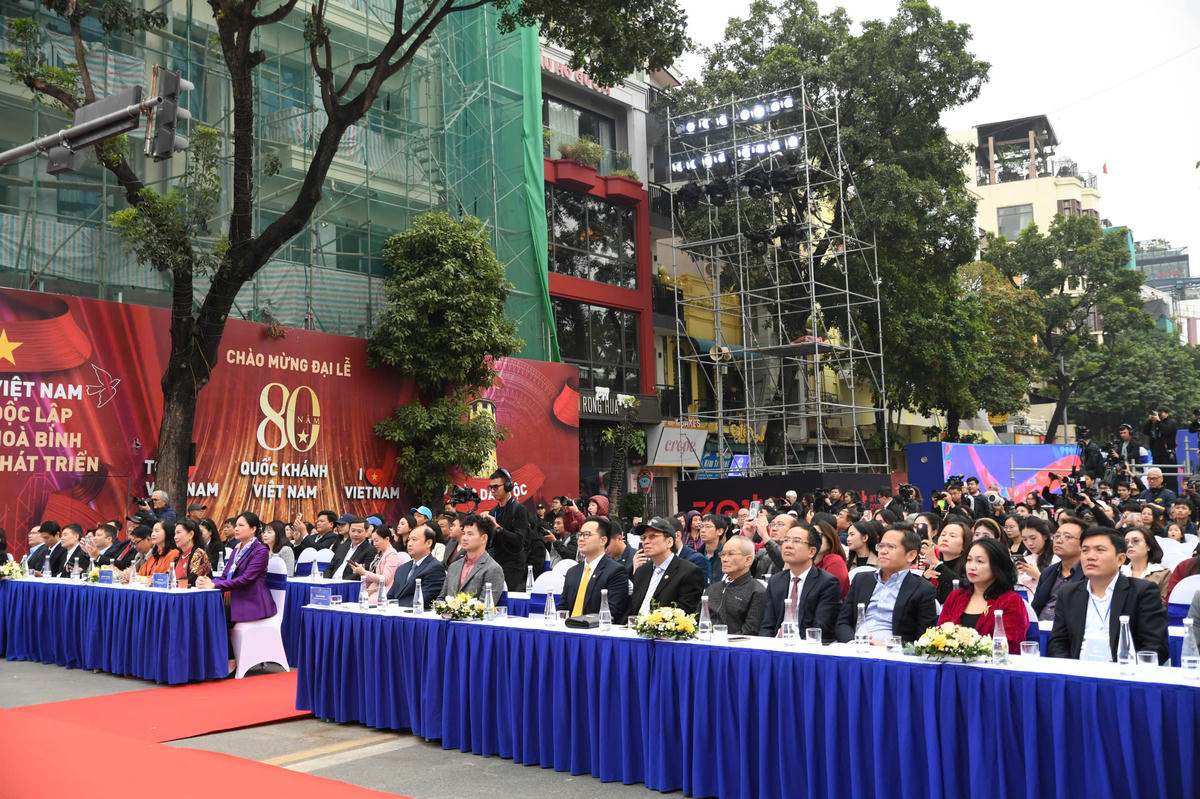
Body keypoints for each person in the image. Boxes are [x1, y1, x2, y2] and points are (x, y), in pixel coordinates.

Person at [1046, 526, 1169, 663]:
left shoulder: (1142, 592)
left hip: (1123, 672)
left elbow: (1155, 647)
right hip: (1078, 671)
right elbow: (1058, 643)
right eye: (1085, 550)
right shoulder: (1068, 593)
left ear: (1120, 559)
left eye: (1100, 550)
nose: (1090, 556)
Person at [197, 512, 278, 674]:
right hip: (236, 597)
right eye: (236, 525)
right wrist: (208, 582)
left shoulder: (260, 551)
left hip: (253, 601)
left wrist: (214, 585)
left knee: (217, 614)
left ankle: (231, 659)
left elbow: (246, 579)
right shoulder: (237, 549)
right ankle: (213, 659)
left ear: (253, 529)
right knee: (207, 610)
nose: (236, 529)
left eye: (241, 525)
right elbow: (225, 576)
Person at [835, 525, 938, 645]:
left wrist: (887, 646)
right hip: (854, 648)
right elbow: (843, 622)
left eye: (891, 547)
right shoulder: (861, 580)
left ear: (911, 555)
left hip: (892, 652)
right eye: (881, 546)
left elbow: (923, 639)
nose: (883, 551)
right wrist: (853, 642)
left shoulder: (923, 589)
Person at [936, 537, 1029, 646]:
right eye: (969, 560)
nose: (972, 567)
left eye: (980, 561)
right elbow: (939, 635)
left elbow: (1010, 645)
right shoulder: (956, 596)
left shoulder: (1011, 601)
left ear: (997, 566)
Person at [759, 522, 841, 640]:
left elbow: (822, 628)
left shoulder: (827, 583)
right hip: (776, 644)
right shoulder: (775, 581)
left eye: (796, 541)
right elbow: (767, 626)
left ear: (811, 552)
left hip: (807, 645)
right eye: (786, 540)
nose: (788, 545)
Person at [557, 515, 630, 623]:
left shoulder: (616, 571)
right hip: (569, 629)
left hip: (595, 630)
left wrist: (581, 625)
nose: (581, 539)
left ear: (603, 540)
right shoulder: (572, 572)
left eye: (587, 535)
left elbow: (612, 612)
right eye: (580, 534)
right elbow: (563, 608)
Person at [628, 517, 706, 617]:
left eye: (652, 536)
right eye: (643, 538)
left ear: (669, 542)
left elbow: (684, 615)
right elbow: (632, 609)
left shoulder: (689, 572)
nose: (646, 542)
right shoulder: (642, 571)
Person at [701, 536, 766, 635]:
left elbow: (750, 631)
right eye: (723, 554)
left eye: (731, 554)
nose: (724, 559)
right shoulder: (712, 589)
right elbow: (698, 620)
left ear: (748, 560)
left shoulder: (757, 592)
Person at [488, 468, 537, 591]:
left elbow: (519, 541)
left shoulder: (519, 509)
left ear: (508, 486)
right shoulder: (493, 512)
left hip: (513, 566)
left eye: (496, 487)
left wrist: (497, 527)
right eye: (490, 487)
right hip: (495, 563)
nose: (492, 491)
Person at [438, 514, 507, 599]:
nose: (464, 538)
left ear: (484, 538)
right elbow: (441, 598)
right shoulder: (453, 566)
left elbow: (486, 604)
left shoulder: (492, 569)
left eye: (470, 534)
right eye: (463, 533)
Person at [1032, 515, 1086, 621]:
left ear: (1083, 544)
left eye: (1067, 537)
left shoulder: (1090, 574)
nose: (1059, 541)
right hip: (1041, 626)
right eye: (1057, 536)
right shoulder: (1048, 572)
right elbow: (1036, 606)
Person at [388, 524, 446, 609]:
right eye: (409, 540)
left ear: (428, 543)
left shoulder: (435, 568)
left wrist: (397, 608)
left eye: (414, 540)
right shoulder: (402, 568)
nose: (409, 544)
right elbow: (390, 596)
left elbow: (423, 599)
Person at [351, 524, 405, 600]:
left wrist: (364, 572)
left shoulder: (392, 555)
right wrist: (362, 572)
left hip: (384, 592)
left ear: (387, 539)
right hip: (373, 589)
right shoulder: (379, 554)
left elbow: (385, 580)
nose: (374, 544)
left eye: (376, 540)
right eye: (373, 541)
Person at [922, 517, 969, 604]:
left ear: (964, 545)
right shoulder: (932, 566)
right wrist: (925, 578)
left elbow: (964, 587)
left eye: (952, 536)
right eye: (943, 535)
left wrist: (936, 563)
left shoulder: (968, 567)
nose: (945, 538)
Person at [1121, 527, 1169, 603]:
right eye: (1126, 542)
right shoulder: (1117, 572)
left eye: (1135, 541)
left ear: (1148, 546)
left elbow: (1163, 603)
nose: (1129, 545)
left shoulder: (1164, 573)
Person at [1015, 516, 1056, 595]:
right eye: (1025, 539)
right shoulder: (1026, 559)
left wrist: (1038, 576)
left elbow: (1058, 591)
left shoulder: (1057, 559)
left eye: (1033, 538)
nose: (1029, 543)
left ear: (1045, 536)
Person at [1143, 407, 1180, 492]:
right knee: (1157, 478)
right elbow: (1145, 432)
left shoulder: (1171, 423)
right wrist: (1150, 421)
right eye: (1157, 412)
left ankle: (1172, 496)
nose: (1158, 414)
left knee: (1170, 479)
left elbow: (1166, 431)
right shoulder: (1155, 424)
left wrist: (1159, 421)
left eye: (1161, 412)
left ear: (1167, 413)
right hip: (1157, 455)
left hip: (1168, 455)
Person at [813, 521, 850, 598]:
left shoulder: (835, 562)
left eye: (818, 535)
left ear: (830, 539)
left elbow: (830, 595)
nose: (813, 539)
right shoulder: (804, 562)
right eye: (810, 535)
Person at [172, 519, 213, 587]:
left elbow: (192, 579)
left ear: (191, 534)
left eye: (178, 533)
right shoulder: (178, 555)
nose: (175, 537)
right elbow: (170, 576)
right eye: (175, 534)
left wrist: (174, 582)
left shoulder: (199, 553)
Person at [697, 513, 727, 584]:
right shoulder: (697, 555)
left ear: (720, 531)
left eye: (708, 527)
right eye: (701, 526)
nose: (702, 530)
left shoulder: (726, 556)